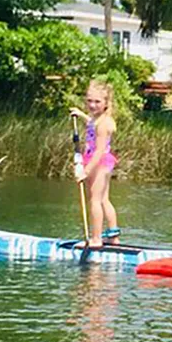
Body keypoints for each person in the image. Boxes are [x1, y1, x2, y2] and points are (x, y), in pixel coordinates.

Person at [71, 80, 120, 248]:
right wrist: (80, 114)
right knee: (104, 199)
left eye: (97, 101)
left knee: (95, 200)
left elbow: (99, 151)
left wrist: (86, 170)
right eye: (89, 100)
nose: (92, 105)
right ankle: (114, 237)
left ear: (106, 103)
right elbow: (90, 123)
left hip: (99, 163)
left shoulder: (103, 124)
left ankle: (96, 239)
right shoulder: (97, 119)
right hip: (100, 162)